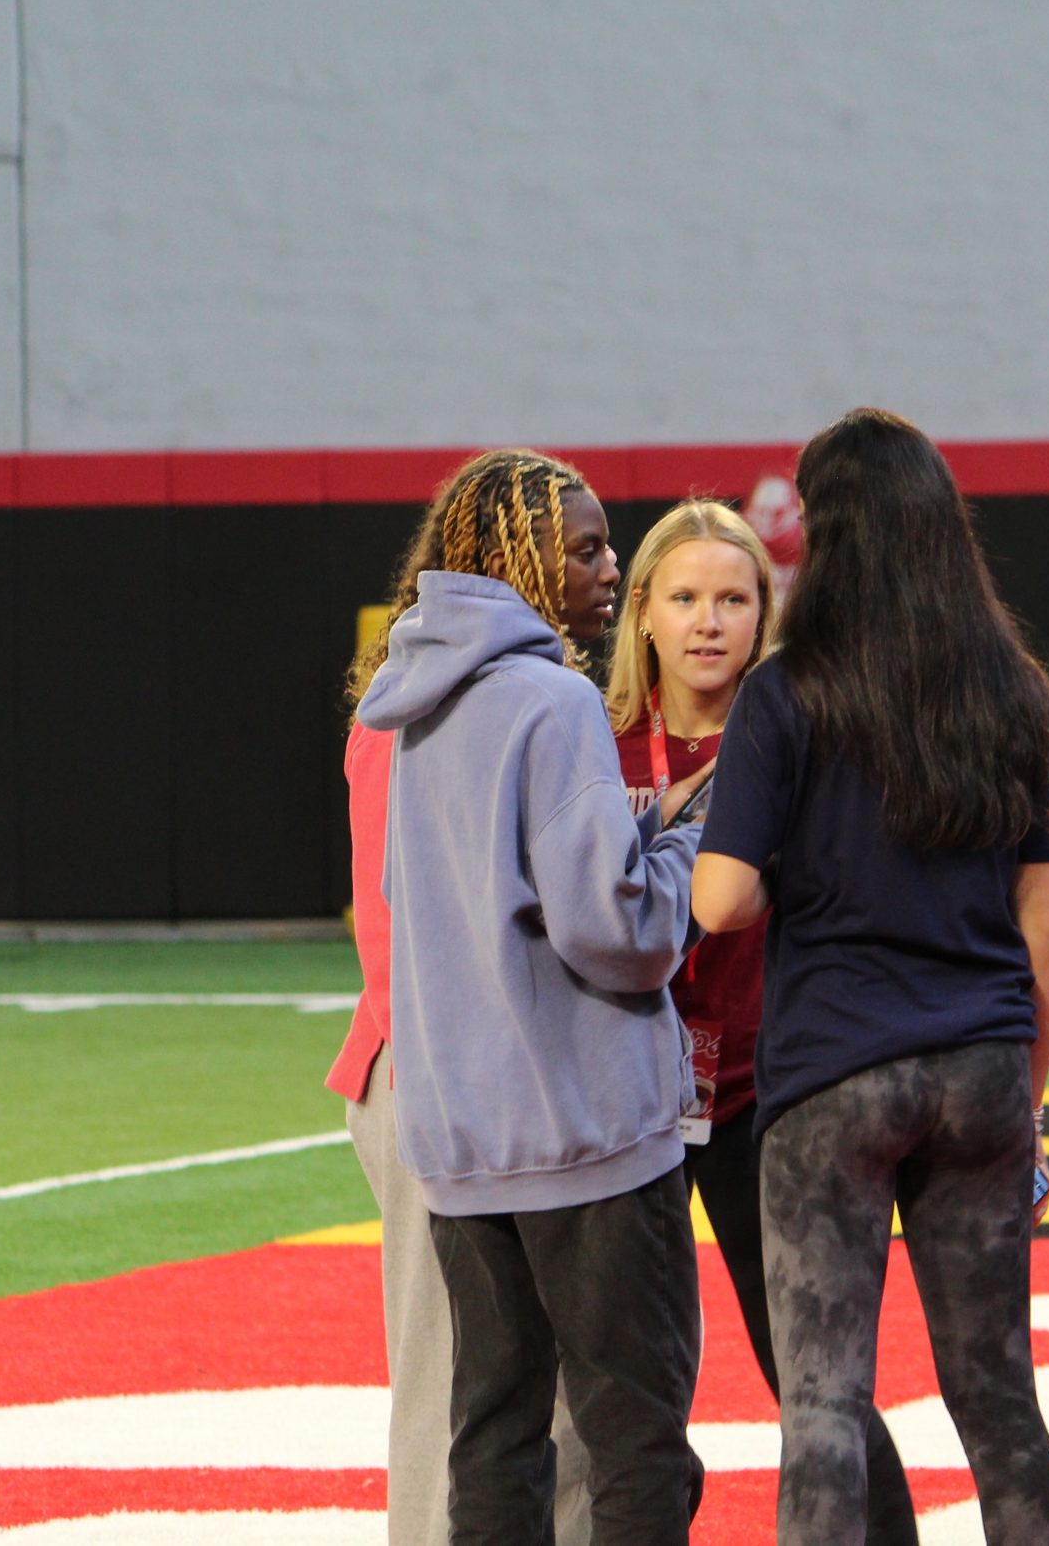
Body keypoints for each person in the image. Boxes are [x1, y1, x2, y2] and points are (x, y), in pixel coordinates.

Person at [691, 407, 1049, 1545]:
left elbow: (718, 900)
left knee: (822, 1402)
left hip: (833, 1073)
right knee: (999, 1398)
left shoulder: (787, 690)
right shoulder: (1011, 687)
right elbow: (1044, 924)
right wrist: (1027, 1089)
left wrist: (801, 874)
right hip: (984, 1066)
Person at [354, 448, 715, 1546]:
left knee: (495, 1436)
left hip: (462, 1141)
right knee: (636, 1439)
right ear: (519, 556)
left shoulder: (406, 704)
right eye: (588, 546)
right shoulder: (553, 700)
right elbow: (618, 934)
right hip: (584, 1130)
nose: (613, 569)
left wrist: (638, 836)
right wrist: (695, 842)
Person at [605, 499, 922, 1545]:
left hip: (768, 1095)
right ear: (641, 611)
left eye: (733, 598)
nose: (708, 621)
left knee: (813, 1374)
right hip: (625, 1102)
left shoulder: (802, 733)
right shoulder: (588, 742)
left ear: (764, 611)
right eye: (685, 597)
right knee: (624, 1389)